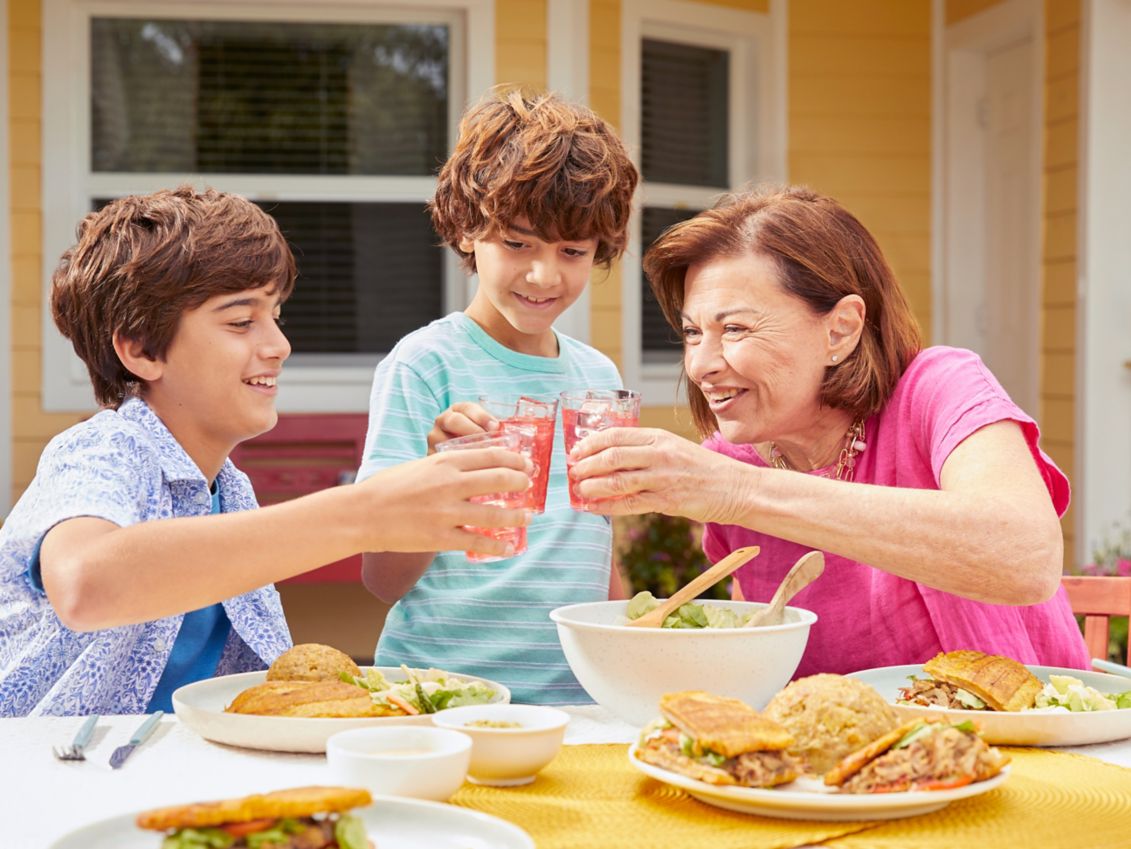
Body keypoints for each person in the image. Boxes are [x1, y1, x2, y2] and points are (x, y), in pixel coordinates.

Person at [0, 186, 530, 717]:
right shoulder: (104, 448)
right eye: (240, 321)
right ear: (140, 349)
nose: (279, 345)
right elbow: (85, 583)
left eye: (275, 315)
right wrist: (365, 512)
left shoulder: (228, 487)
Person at [568, 185, 1090, 676]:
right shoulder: (737, 462)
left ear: (839, 330)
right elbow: (765, 668)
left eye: (734, 329)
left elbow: (1027, 558)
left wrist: (737, 492)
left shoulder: (939, 389)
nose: (701, 364)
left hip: (1027, 749)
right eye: (691, 332)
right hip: (843, 766)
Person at [357, 88, 639, 705]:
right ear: (468, 233)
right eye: (518, 243)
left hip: (577, 700)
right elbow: (381, 579)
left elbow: (594, 548)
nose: (545, 275)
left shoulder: (597, 377)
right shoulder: (425, 365)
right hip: (439, 697)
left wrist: (623, 668)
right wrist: (440, 481)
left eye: (573, 252)